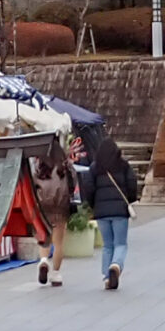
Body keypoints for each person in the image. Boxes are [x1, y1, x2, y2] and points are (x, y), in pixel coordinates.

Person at [78, 123, 138, 289]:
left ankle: (106, 277)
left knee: (107, 245)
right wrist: (129, 200)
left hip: (101, 212)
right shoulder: (124, 166)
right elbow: (132, 183)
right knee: (120, 244)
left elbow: (88, 187)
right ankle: (116, 266)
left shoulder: (94, 168)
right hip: (120, 211)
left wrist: (93, 204)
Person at [30, 140, 74, 286]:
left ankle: (43, 261)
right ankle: (55, 274)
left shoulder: (38, 167)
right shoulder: (65, 167)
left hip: (42, 207)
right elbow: (73, 184)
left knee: (44, 237)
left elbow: (31, 185)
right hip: (60, 207)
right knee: (59, 242)